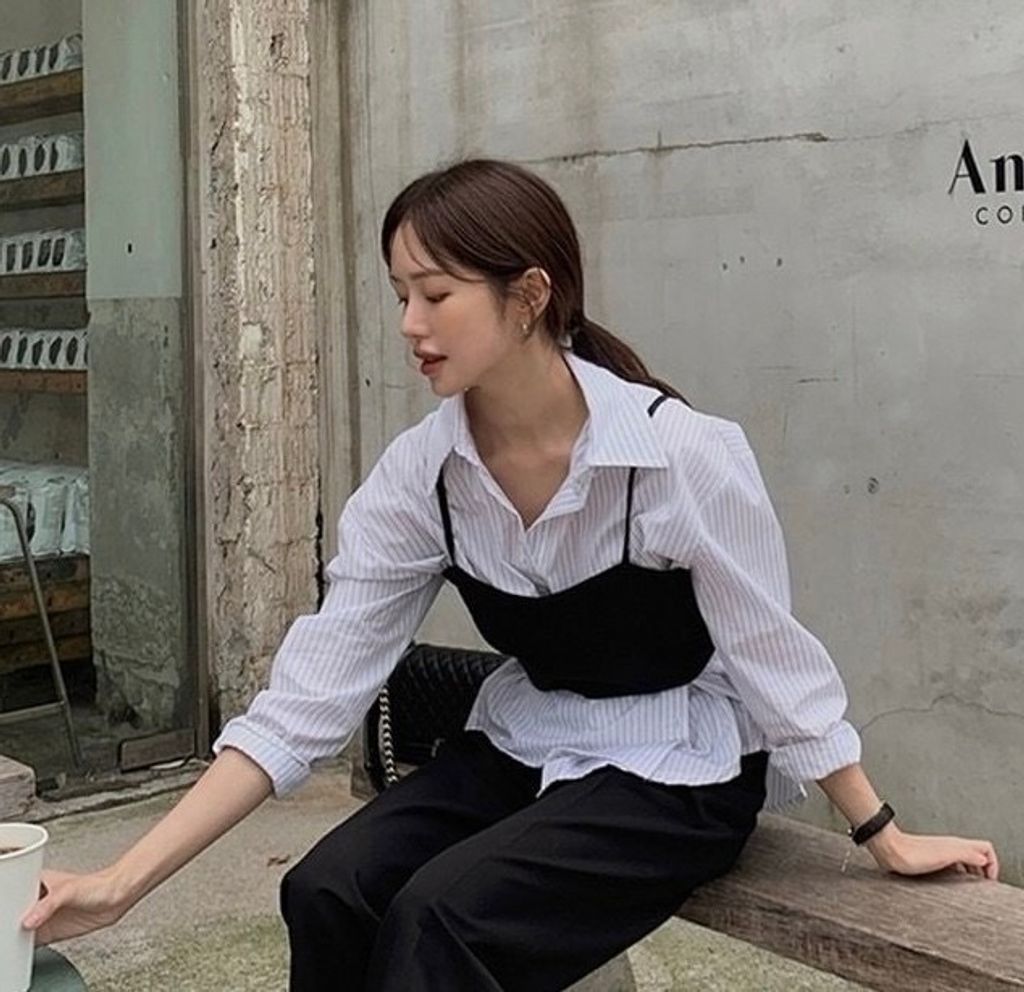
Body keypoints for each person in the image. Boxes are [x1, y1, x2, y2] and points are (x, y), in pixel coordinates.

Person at [25, 159, 998, 991]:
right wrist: (121, 882)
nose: (409, 322)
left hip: (679, 771)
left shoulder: (679, 456)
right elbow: (303, 702)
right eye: (399, 293)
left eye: (435, 293)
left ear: (528, 296)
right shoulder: (424, 478)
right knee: (325, 889)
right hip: (531, 741)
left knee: (443, 921)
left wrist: (880, 829)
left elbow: (769, 652)